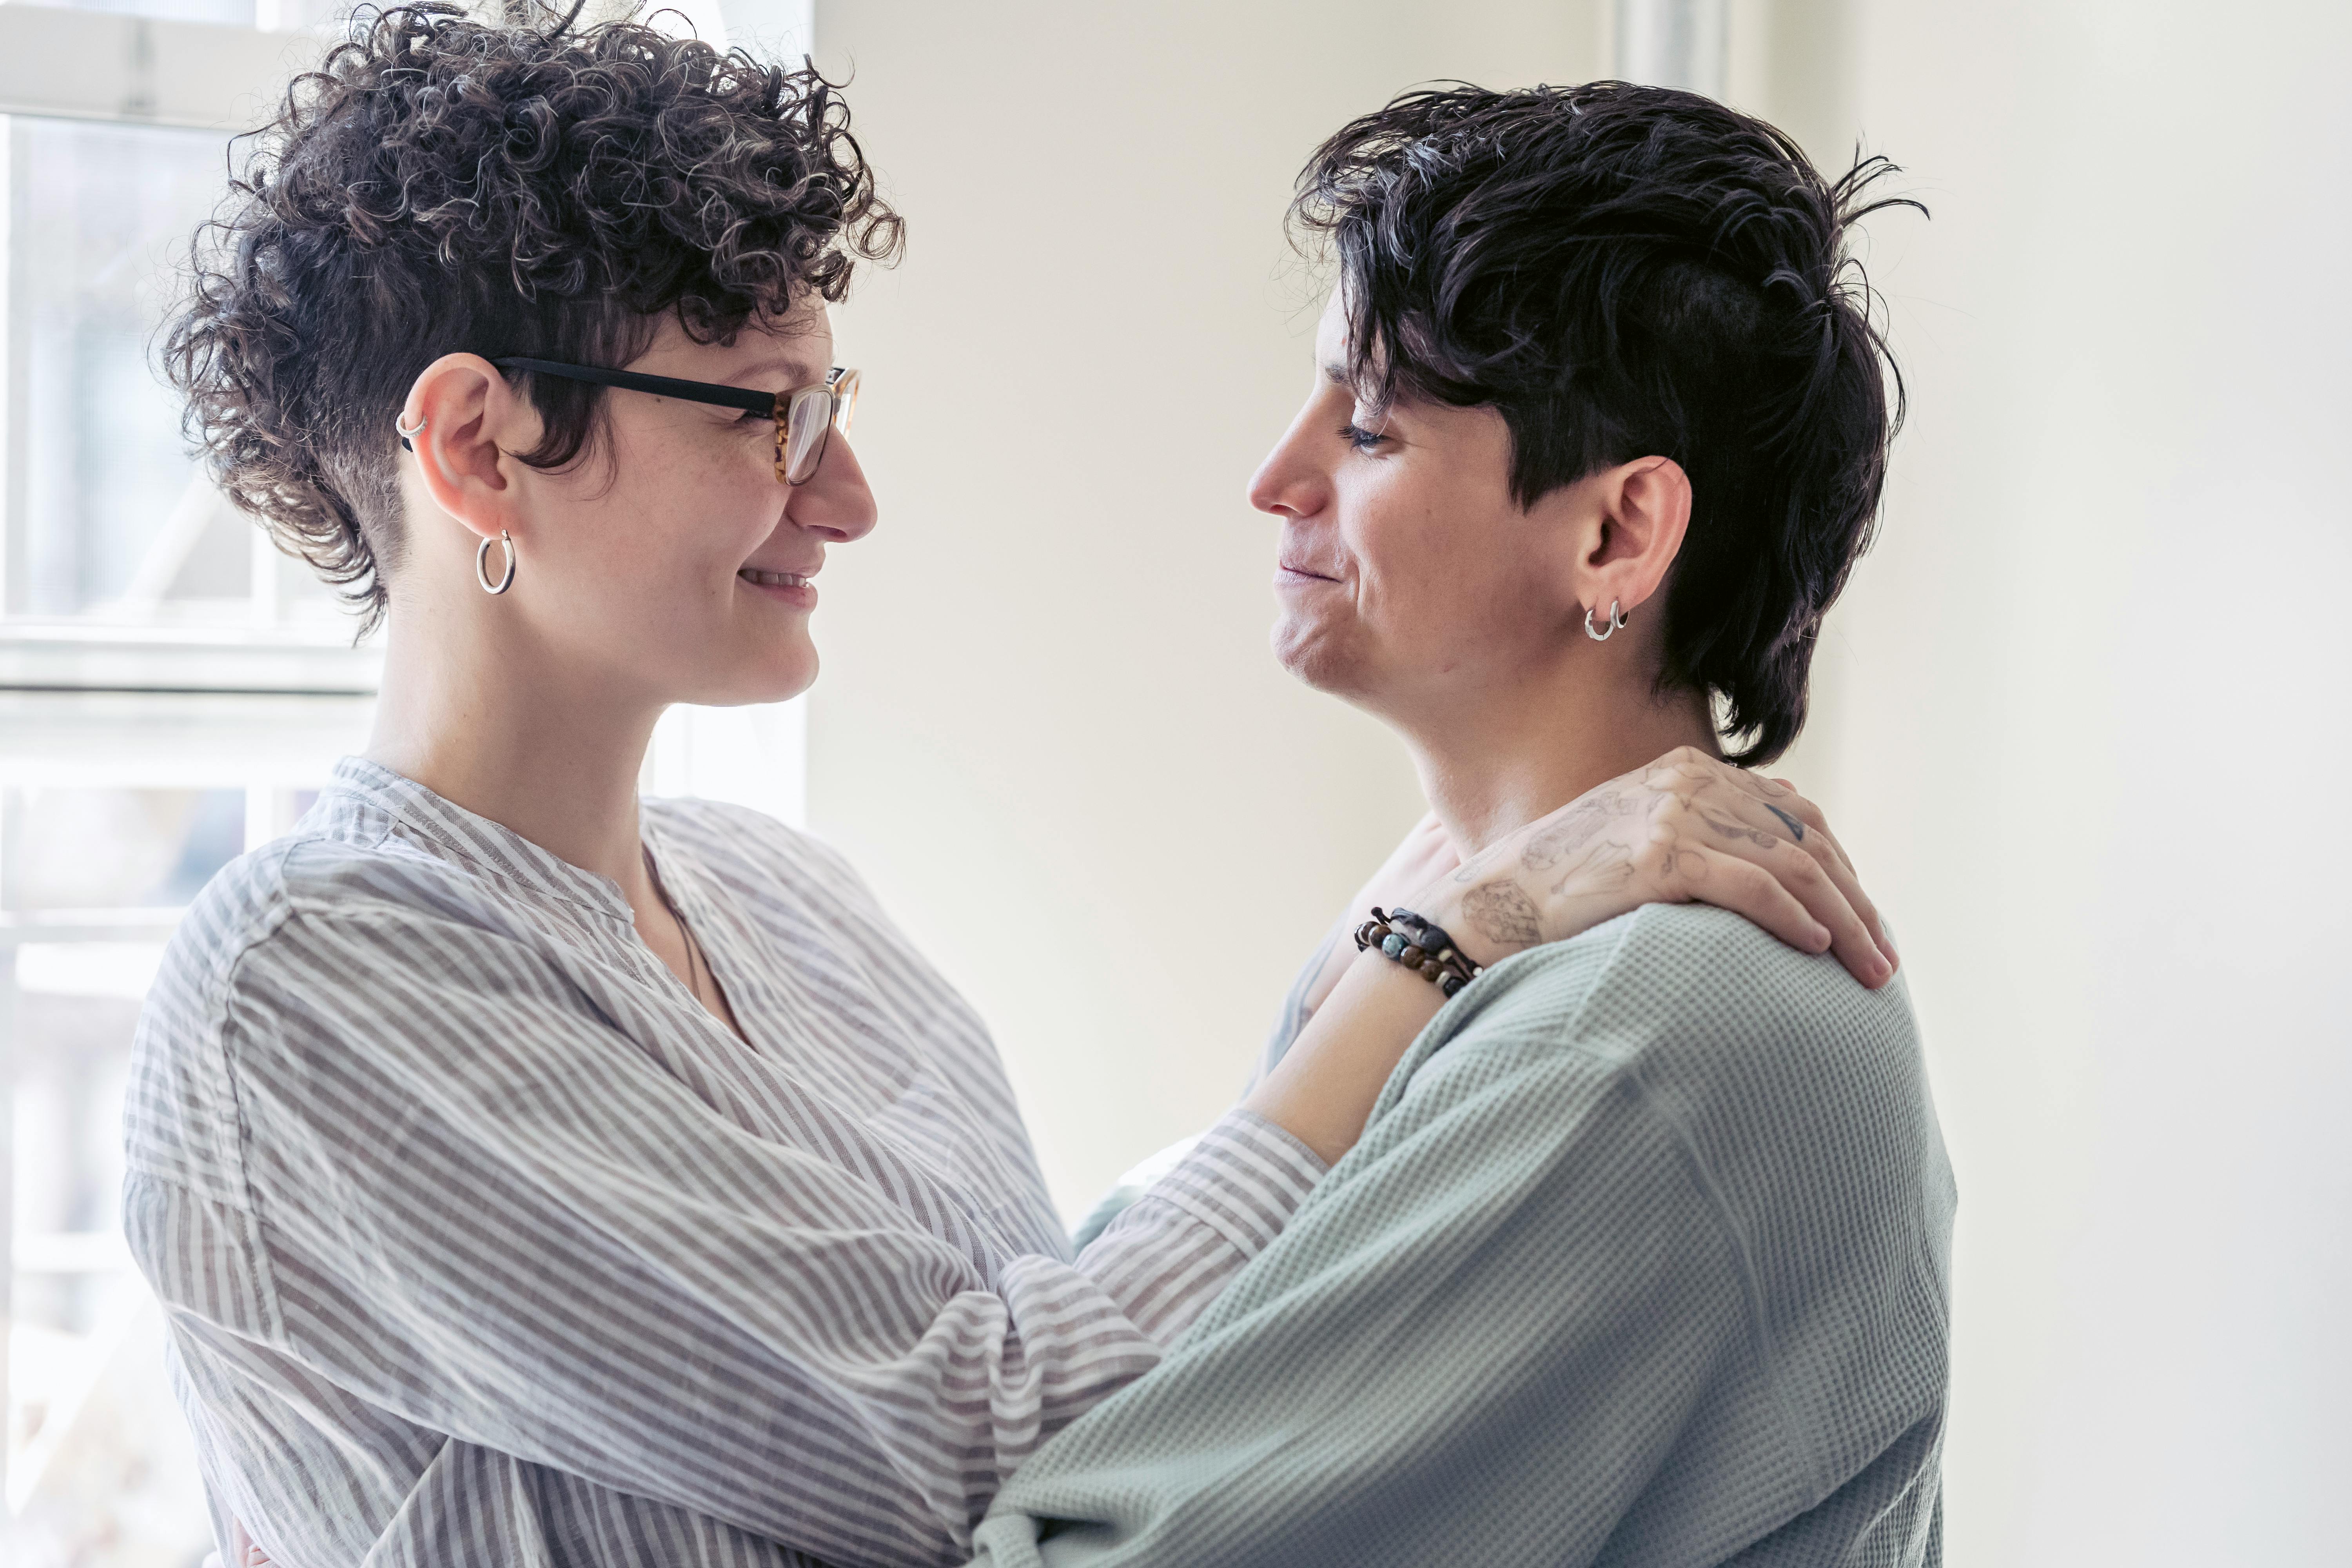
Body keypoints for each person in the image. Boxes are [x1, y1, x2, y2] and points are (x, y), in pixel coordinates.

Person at [131, 12, 1893, 1568]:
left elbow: (1104, 1382)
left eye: (835, 408)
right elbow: (981, 1451)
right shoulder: (302, 981)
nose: (849, 497)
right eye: (767, 417)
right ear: (478, 447)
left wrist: (1426, 939)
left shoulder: (794, 910)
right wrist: (1433, 939)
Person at [969, 84, 1951, 1568]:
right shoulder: (1487, 951)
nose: (1275, 479)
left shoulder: (1637, 1033)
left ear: (1617, 533)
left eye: (1369, 426)